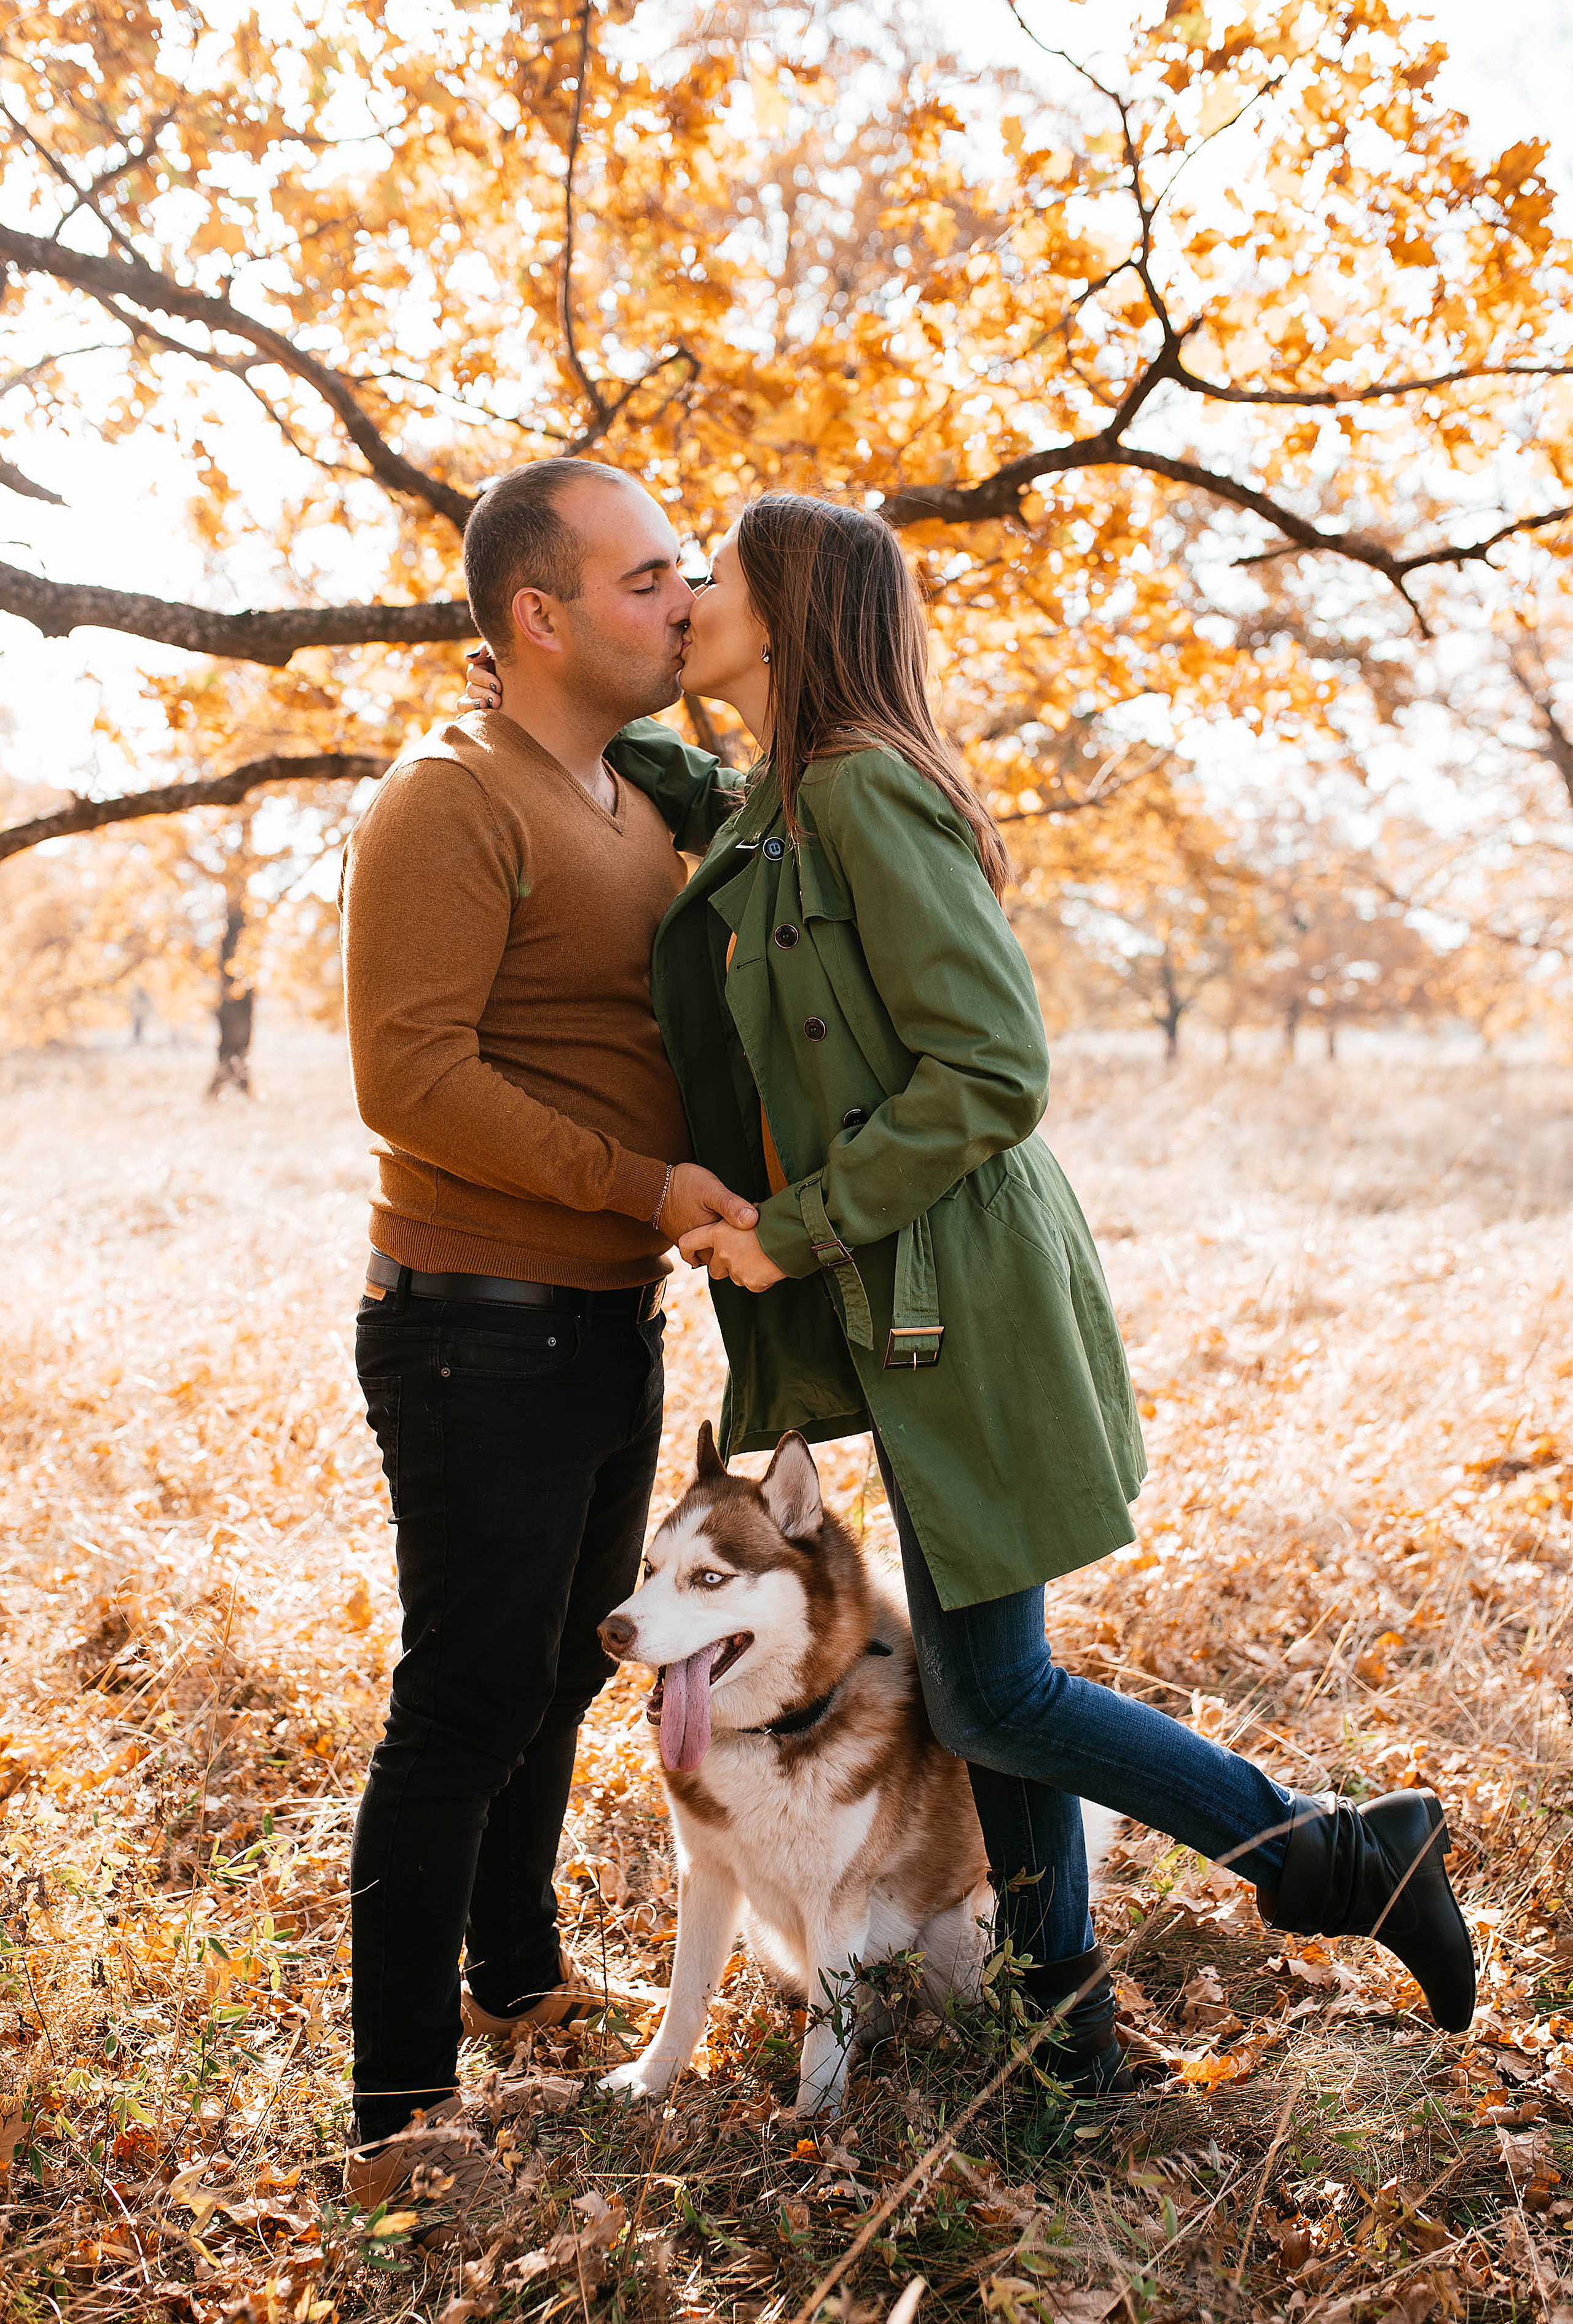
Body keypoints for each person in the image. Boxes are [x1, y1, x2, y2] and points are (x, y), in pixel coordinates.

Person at [465, 491, 1477, 2121]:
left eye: (718, 573)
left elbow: (995, 1068)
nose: (691, 596)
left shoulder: (864, 794)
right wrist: (559, 728)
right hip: (915, 1306)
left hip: (968, 1294)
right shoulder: (783, 805)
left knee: (992, 1690)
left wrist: (800, 1229)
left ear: (788, 614)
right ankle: (1071, 2040)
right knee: (990, 1684)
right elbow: (707, 804)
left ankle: (1336, 1853)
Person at [337, 456, 759, 2220]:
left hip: (606, 1315)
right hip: (478, 1327)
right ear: (540, 613)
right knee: (463, 1703)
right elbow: (409, 1077)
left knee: (569, 1670)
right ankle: (396, 2102)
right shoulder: (448, 800)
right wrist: (639, 1183)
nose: (683, 602)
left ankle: (512, 1970)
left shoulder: (637, 791)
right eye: (652, 577)